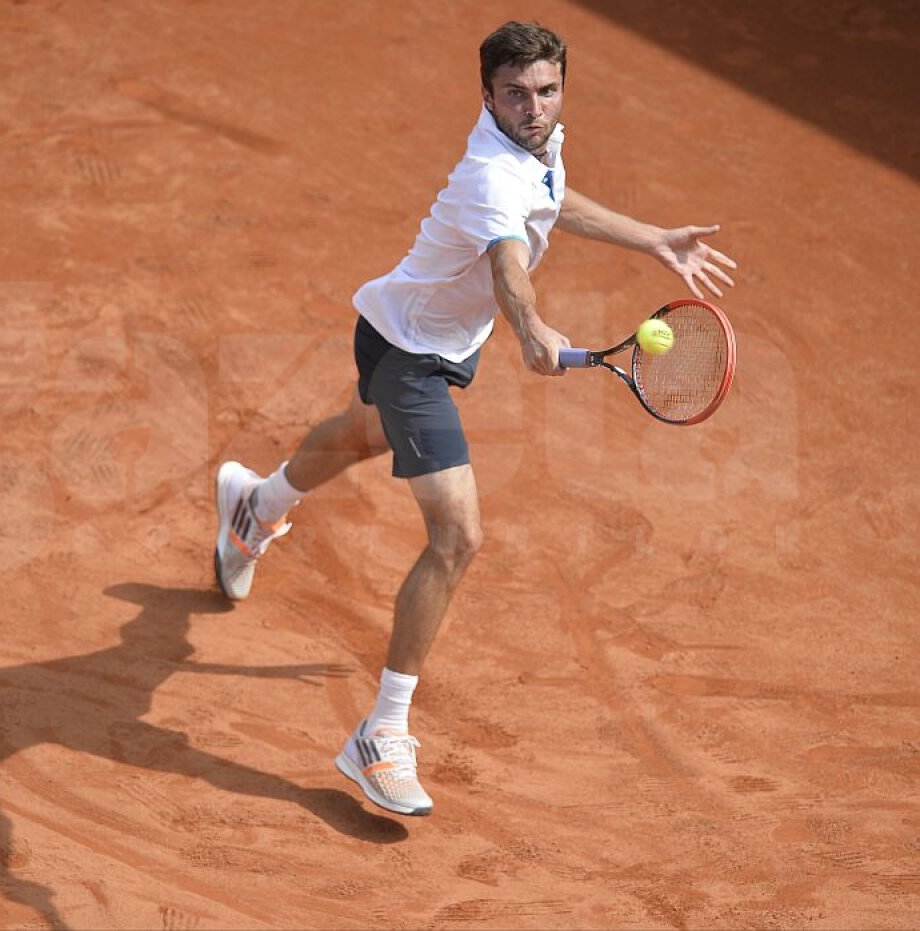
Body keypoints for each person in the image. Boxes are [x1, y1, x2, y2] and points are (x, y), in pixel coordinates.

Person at [212, 21, 736, 817]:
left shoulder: (538, 145)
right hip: (412, 358)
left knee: (359, 435)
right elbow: (507, 265)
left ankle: (257, 504)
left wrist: (652, 238)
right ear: (486, 96)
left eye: (547, 91)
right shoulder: (491, 175)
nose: (535, 107)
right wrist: (531, 329)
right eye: (516, 94)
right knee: (457, 536)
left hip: (407, 330)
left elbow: (550, 202)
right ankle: (382, 734)